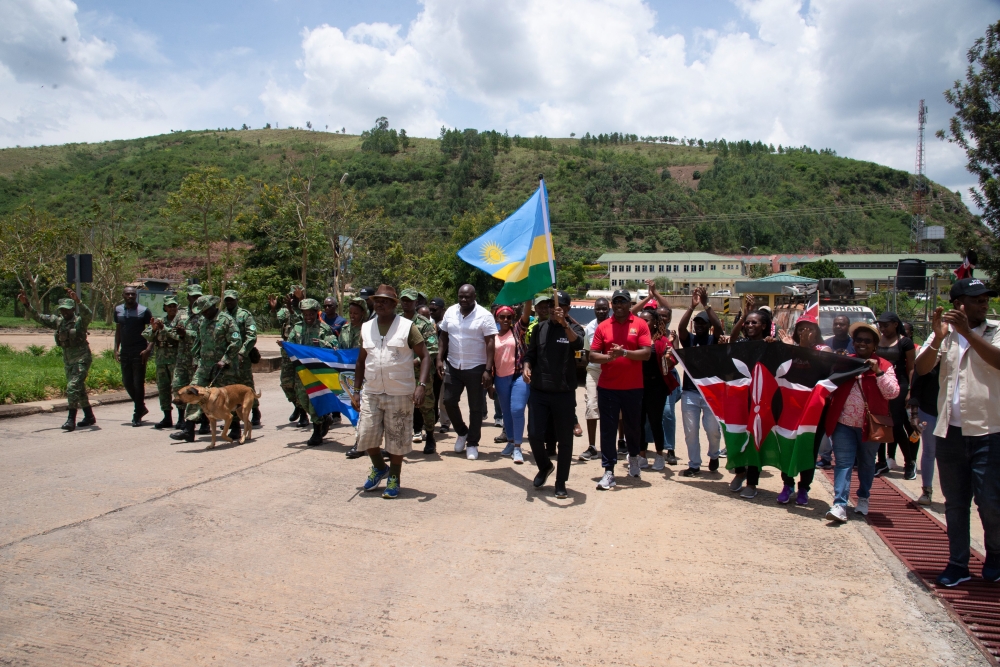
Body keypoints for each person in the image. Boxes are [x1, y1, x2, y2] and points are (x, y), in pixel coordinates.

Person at [914, 278, 1000, 587]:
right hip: (949, 431)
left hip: (989, 431)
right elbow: (922, 368)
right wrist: (938, 338)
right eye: (976, 298)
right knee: (955, 502)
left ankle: (995, 556)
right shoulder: (945, 335)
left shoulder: (995, 330)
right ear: (958, 304)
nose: (983, 303)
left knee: (990, 501)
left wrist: (966, 333)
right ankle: (957, 563)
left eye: (985, 299)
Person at [351, 285, 431, 499]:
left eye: (385, 301)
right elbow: (360, 361)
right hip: (372, 390)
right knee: (366, 435)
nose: (380, 304)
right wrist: (356, 391)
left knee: (396, 438)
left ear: (394, 304)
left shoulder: (407, 327)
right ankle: (379, 467)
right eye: (377, 300)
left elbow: (425, 357)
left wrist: (421, 386)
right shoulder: (366, 327)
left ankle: (394, 477)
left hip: (400, 392)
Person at [824, 322, 899, 523]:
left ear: (875, 344)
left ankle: (863, 496)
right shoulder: (845, 362)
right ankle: (840, 504)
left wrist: (878, 374)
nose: (862, 344)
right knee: (843, 463)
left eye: (867, 341)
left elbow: (892, 393)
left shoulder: (884, 365)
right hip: (843, 424)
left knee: (866, 463)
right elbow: (828, 385)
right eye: (858, 340)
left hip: (870, 426)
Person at [589, 289, 652, 490]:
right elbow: (592, 355)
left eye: (623, 302)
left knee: (633, 426)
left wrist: (624, 352)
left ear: (628, 303)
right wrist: (610, 358)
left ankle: (633, 457)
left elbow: (646, 354)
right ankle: (608, 470)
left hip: (633, 387)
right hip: (608, 387)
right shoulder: (604, 326)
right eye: (615, 302)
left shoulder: (640, 324)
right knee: (607, 429)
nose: (619, 306)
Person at [523, 292, 584, 498]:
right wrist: (526, 366)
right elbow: (531, 354)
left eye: (558, 306)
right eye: (550, 305)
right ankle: (545, 466)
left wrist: (564, 324)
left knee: (565, 440)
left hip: (563, 393)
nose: (553, 309)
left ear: (567, 309)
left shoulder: (573, 329)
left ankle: (561, 482)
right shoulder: (539, 328)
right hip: (539, 391)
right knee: (534, 434)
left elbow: (578, 344)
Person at [18, 288, 95, 431]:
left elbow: (88, 314)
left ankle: (70, 420)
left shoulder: (80, 321)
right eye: (62, 310)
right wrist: (27, 304)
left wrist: (79, 301)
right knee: (79, 389)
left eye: (67, 310)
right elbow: (39, 317)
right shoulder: (58, 322)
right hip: (68, 360)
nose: (64, 312)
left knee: (72, 388)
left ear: (72, 309)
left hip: (82, 358)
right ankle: (89, 416)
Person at [775, 313, 831, 505]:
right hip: (790, 409)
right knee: (787, 446)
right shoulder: (789, 348)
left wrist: (804, 349)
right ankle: (787, 484)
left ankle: (804, 488)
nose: (805, 332)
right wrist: (784, 347)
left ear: (817, 332)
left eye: (810, 328)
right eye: (801, 329)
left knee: (808, 449)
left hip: (813, 413)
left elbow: (825, 371)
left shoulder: (824, 349)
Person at [437, 284, 498, 460]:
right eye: (460, 296)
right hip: (454, 365)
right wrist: (440, 358)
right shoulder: (450, 312)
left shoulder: (484, 316)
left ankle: (472, 443)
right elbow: (444, 337)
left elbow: (490, 344)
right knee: (448, 401)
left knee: (476, 408)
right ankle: (462, 432)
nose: (463, 300)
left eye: (467, 297)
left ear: (474, 296)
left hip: (476, 367)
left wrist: (488, 369)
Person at [170, 296, 242, 443]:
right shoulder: (203, 321)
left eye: (205, 311)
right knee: (193, 392)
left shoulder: (226, 320)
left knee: (227, 398)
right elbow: (198, 342)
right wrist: (196, 359)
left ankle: (235, 428)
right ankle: (188, 429)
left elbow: (236, 341)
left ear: (212, 307)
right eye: (201, 312)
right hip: (204, 365)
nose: (203, 314)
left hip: (223, 367)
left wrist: (225, 359)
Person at [676, 288, 725, 477]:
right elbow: (681, 329)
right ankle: (694, 464)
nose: (699, 326)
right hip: (690, 392)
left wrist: (706, 304)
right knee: (690, 431)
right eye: (696, 324)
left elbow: (719, 328)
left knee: (712, 429)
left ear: (708, 326)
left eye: (702, 324)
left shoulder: (714, 340)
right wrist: (691, 307)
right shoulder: (690, 341)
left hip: (710, 392)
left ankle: (714, 454)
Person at [729, 307, 775, 499]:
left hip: (762, 401)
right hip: (741, 398)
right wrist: (742, 316)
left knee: (756, 439)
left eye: (753, 322)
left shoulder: (772, 345)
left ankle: (752, 482)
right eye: (747, 322)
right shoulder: (741, 343)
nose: (749, 326)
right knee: (738, 435)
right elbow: (731, 341)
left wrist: (773, 346)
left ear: (764, 326)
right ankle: (740, 472)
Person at [284, 299, 337, 446]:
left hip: (316, 372)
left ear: (316, 313)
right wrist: (284, 345)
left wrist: (322, 343)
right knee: (302, 400)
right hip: (301, 371)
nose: (308, 316)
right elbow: (290, 344)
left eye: (311, 313)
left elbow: (334, 344)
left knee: (314, 401)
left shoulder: (323, 329)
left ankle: (317, 430)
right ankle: (324, 418)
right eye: (305, 313)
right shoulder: (297, 328)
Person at [874, 312, 916, 479]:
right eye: (880, 325)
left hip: (899, 385)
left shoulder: (905, 342)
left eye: (885, 325)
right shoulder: (877, 340)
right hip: (879, 384)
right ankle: (882, 462)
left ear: (895, 324)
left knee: (897, 425)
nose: (882, 328)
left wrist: (911, 391)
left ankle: (909, 462)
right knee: (878, 423)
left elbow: (911, 368)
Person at [400, 288, 439, 453]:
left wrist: (416, 360)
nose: (406, 303)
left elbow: (433, 348)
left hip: (420, 374)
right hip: (400, 374)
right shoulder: (396, 321)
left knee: (426, 407)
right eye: (404, 300)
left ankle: (430, 437)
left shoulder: (424, 323)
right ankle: (398, 442)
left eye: (410, 301)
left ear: (416, 303)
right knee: (399, 408)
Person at [492, 305, 528, 464]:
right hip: (500, 378)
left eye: (509, 317)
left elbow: (526, 313)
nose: (506, 320)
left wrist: (528, 294)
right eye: (502, 317)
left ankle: (518, 448)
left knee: (517, 409)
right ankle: (511, 442)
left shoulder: (517, 330)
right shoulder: (491, 335)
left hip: (518, 375)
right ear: (496, 318)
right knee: (506, 412)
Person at [142, 296, 184, 429]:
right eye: (169, 306)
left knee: (178, 388)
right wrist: (154, 329)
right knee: (163, 389)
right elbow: (146, 335)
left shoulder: (181, 321)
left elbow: (180, 337)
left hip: (176, 359)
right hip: (161, 360)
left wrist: (164, 329)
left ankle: (182, 418)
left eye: (174, 306)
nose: (172, 308)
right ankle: (167, 417)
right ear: (165, 307)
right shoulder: (159, 320)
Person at [114, 285, 153, 427]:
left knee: (138, 382)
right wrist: (115, 349)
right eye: (127, 294)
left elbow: (152, 331)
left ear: (135, 296)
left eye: (132, 294)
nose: (130, 296)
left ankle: (137, 413)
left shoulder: (144, 311)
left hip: (139, 351)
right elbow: (118, 330)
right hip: (125, 351)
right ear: (123, 295)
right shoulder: (118, 310)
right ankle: (141, 406)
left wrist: (148, 349)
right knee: (126, 381)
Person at [223, 290, 261, 427]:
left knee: (247, 385)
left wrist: (242, 353)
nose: (229, 302)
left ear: (237, 300)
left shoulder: (244, 315)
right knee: (231, 387)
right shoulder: (222, 316)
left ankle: (255, 410)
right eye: (227, 300)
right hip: (228, 357)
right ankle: (233, 418)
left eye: (231, 300)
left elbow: (252, 336)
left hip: (243, 357)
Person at [579, 297, 610, 461]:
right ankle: (592, 447)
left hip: (613, 370)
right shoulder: (590, 328)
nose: (601, 311)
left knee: (616, 410)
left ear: (609, 309)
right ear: (594, 310)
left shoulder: (615, 325)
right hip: (594, 371)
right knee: (591, 406)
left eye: (604, 308)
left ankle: (620, 443)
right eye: (598, 309)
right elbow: (586, 352)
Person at [270, 285, 306, 427]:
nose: (292, 299)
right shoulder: (285, 311)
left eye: (295, 296)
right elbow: (274, 323)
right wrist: (273, 309)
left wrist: (294, 307)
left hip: (301, 354)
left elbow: (305, 321)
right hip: (286, 353)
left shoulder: (306, 309)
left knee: (300, 385)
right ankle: (296, 405)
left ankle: (303, 413)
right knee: (286, 383)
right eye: (291, 296)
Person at [339, 297, 369, 460]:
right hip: (348, 377)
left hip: (366, 376)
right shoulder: (344, 330)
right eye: (350, 312)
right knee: (355, 408)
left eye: (356, 313)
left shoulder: (368, 330)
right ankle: (360, 441)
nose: (352, 316)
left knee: (364, 410)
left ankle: (361, 442)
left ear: (363, 313)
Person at [171, 284, 203, 432]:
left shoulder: (205, 314)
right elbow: (172, 332)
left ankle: (204, 420)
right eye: (193, 296)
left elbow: (205, 336)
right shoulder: (181, 314)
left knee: (197, 390)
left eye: (198, 296)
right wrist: (178, 333)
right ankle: (181, 417)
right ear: (188, 297)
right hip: (182, 357)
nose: (196, 299)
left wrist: (186, 334)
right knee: (178, 387)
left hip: (197, 358)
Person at [910, 359, 939, 506]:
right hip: (929, 410)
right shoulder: (929, 358)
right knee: (929, 450)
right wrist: (914, 414)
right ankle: (927, 490)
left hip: (952, 412)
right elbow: (917, 384)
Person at [428, 297, 451, 434]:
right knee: (431, 394)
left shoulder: (446, 325)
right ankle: (431, 420)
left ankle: (445, 422)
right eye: (430, 309)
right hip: (429, 364)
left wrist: (441, 360)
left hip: (445, 363)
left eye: (434, 309)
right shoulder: (428, 324)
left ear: (442, 310)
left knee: (443, 395)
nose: (432, 312)